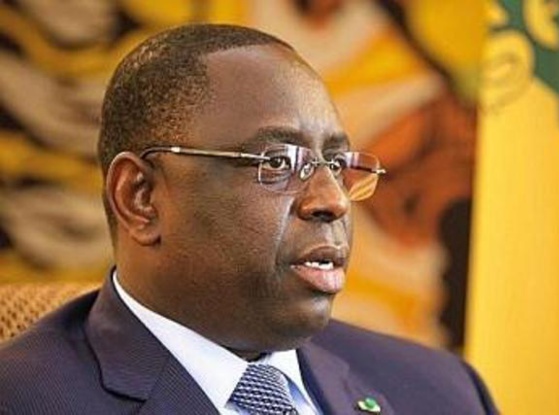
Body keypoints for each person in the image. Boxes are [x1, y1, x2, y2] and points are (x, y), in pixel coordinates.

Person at [0, 24, 497, 414]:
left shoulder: (440, 391)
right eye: (278, 163)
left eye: (336, 164)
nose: (334, 201)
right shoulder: (25, 400)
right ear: (141, 197)